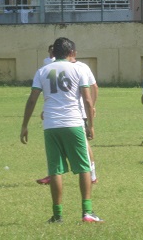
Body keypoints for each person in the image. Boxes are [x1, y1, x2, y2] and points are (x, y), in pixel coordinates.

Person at [21, 37, 103, 224]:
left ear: (53, 53)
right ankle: (87, 212)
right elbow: (87, 100)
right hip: (73, 122)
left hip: (51, 125)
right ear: (71, 52)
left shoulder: (42, 71)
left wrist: (24, 125)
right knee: (83, 167)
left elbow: (32, 99)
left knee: (55, 170)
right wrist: (90, 125)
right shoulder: (77, 69)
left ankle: (57, 216)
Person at [37, 49, 99, 186]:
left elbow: (94, 87)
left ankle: (91, 174)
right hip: (63, 114)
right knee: (79, 143)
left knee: (83, 144)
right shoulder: (55, 67)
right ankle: (56, 173)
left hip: (77, 112)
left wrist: (92, 107)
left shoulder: (82, 67)